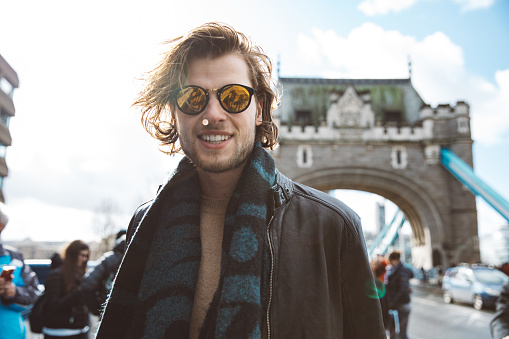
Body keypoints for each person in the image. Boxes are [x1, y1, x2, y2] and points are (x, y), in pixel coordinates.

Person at [96, 22, 385, 338]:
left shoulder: (335, 226)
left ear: (259, 109)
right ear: (174, 112)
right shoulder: (144, 221)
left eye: (233, 97)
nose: (213, 114)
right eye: (192, 98)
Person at [0, 203, 39, 339]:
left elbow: (33, 293)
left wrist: (13, 293)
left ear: (1, 226)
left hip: (11, 333)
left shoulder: (15, 257)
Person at [43, 240, 90, 338]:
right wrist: (77, 292)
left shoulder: (80, 275)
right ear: (72, 255)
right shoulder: (56, 275)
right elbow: (53, 306)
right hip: (58, 333)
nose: (84, 259)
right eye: (82, 255)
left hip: (79, 331)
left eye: (87, 256)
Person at [81, 231, 126, 316]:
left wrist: (99, 310)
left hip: (110, 313)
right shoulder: (146, 259)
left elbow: (87, 284)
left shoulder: (109, 259)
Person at [386, 251, 414, 339]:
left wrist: (392, 301)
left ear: (395, 260)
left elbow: (403, 289)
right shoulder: (397, 269)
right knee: (395, 332)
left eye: (390, 261)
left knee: (402, 334)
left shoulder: (401, 271)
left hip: (401, 304)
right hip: (398, 304)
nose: (389, 263)